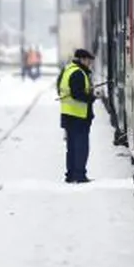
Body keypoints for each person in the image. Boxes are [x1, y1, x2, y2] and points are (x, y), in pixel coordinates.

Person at [58, 48, 97, 183]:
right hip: (78, 116)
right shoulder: (78, 73)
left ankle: (71, 175)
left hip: (68, 114)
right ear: (81, 59)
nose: (89, 63)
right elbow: (77, 94)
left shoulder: (68, 69)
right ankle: (79, 175)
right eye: (88, 60)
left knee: (72, 147)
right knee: (81, 147)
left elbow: (61, 89)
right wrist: (92, 97)